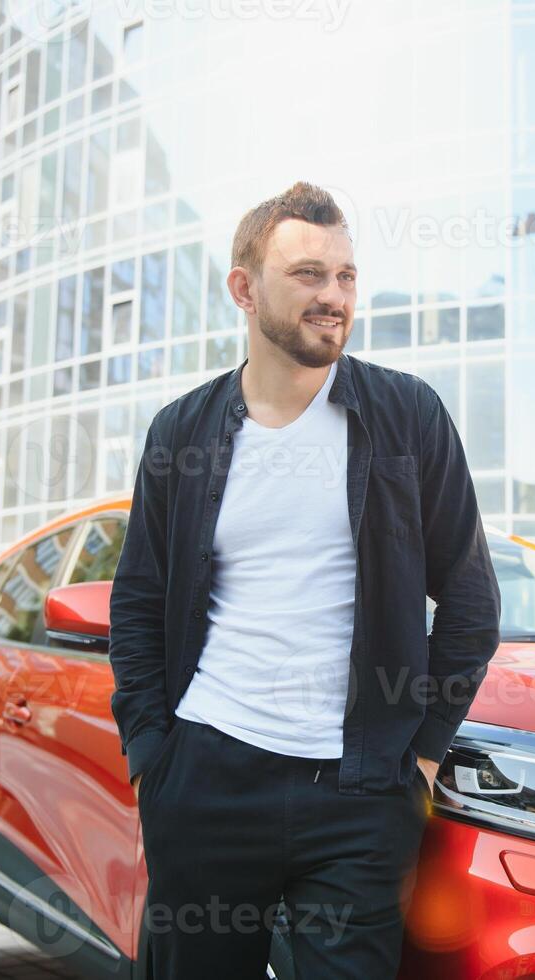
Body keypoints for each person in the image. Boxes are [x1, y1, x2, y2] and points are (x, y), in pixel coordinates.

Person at [107, 180, 501, 978]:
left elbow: (468, 599)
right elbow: (139, 600)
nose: (334, 297)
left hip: (360, 797)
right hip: (206, 776)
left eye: (347, 276)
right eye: (309, 274)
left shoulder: (408, 416)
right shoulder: (182, 433)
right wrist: (153, 752)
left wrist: (420, 757)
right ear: (244, 290)